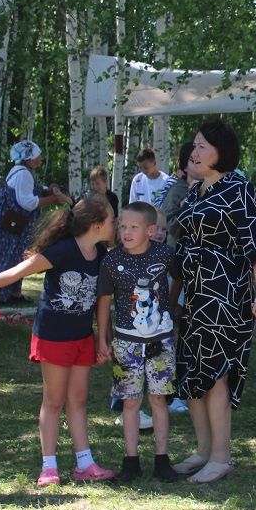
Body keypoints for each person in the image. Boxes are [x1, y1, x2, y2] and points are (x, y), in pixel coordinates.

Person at [0, 196, 117, 486]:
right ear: (97, 223)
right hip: (53, 337)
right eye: (113, 219)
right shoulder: (63, 250)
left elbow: (103, 301)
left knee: (78, 400)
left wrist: (102, 340)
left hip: (81, 338)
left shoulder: (101, 253)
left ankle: (85, 463)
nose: (116, 224)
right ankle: (49, 467)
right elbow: (17, 272)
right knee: (53, 401)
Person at [169, 120, 256, 484]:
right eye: (193, 146)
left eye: (201, 146)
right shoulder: (196, 191)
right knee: (192, 372)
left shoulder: (238, 189)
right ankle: (203, 449)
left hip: (224, 295)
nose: (193, 152)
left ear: (220, 153)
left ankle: (221, 457)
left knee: (215, 375)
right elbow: (183, 248)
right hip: (194, 295)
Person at [95, 202, 179, 483]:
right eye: (122, 226)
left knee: (158, 399)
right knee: (130, 401)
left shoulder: (166, 255)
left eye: (134, 227)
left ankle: (162, 460)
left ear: (150, 230)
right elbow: (104, 302)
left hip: (160, 342)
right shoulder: (110, 261)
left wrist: (172, 311)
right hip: (126, 343)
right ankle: (130, 461)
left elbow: (181, 280)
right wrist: (102, 339)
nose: (126, 232)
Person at [0, 140, 71, 302]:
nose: (40, 159)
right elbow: (28, 202)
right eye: (38, 155)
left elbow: (29, 191)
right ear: (29, 158)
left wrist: (47, 190)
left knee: (11, 257)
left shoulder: (20, 171)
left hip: (10, 225)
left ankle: (7, 293)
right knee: (11, 257)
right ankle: (5, 295)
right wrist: (53, 199)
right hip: (12, 227)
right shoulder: (23, 173)